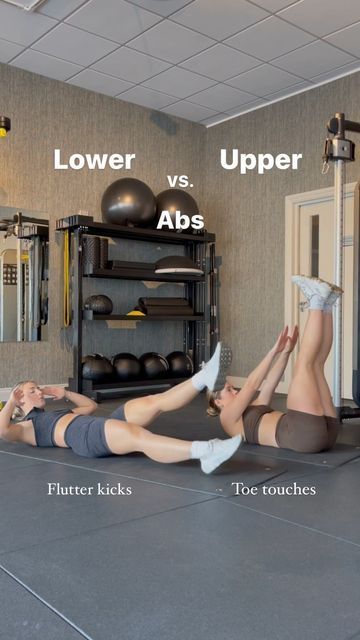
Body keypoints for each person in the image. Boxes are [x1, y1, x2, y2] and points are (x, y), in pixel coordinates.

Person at [0, 343, 240, 474]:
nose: (39, 391)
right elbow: (4, 431)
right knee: (140, 438)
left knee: (152, 402)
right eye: (32, 390)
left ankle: (204, 377)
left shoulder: (55, 415)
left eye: (38, 387)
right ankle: (206, 452)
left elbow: (90, 406)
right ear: (21, 400)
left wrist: (66, 394)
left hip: (93, 424)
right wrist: (10, 402)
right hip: (84, 436)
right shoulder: (27, 427)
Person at [207, 276, 342, 453]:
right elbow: (251, 384)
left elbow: (271, 382)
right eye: (229, 390)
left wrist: (285, 352)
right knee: (305, 364)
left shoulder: (256, 406)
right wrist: (273, 351)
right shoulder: (227, 418)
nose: (235, 390)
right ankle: (316, 301)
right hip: (303, 435)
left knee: (316, 365)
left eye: (232, 388)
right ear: (218, 401)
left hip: (322, 432)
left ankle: (326, 305)